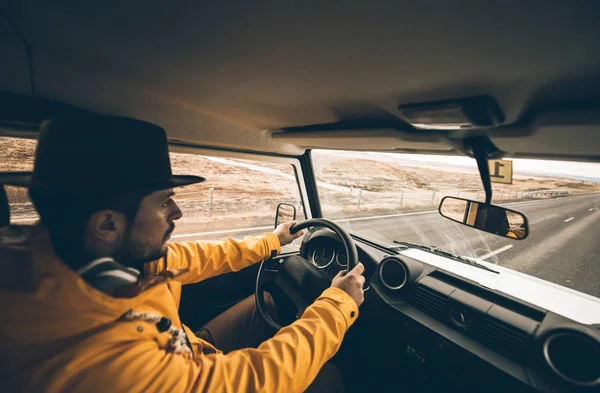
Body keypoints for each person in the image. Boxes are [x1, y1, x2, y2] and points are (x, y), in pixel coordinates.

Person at [0, 116, 365, 393]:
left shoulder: (66, 249)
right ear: (108, 224)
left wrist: (271, 241)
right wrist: (337, 305)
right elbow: (254, 380)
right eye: (163, 202)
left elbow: (192, 257)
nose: (176, 213)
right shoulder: (104, 363)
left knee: (264, 303)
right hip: (174, 364)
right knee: (328, 377)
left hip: (183, 345)